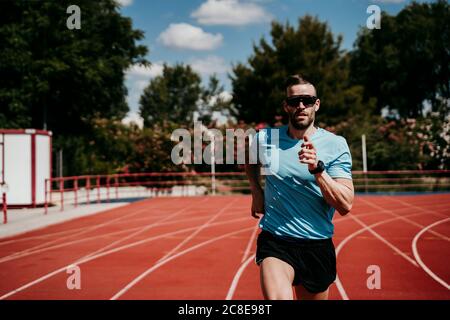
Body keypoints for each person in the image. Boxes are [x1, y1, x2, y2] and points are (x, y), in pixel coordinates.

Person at [245, 74, 354, 300]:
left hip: (317, 243)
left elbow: (345, 205)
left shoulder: (335, 144)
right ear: (286, 106)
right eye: (294, 101)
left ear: (317, 104)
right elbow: (250, 158)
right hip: (276, 240)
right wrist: (256, 191)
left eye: (307, 100)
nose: (301, 106)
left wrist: (318, 170)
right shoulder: (265, 138)